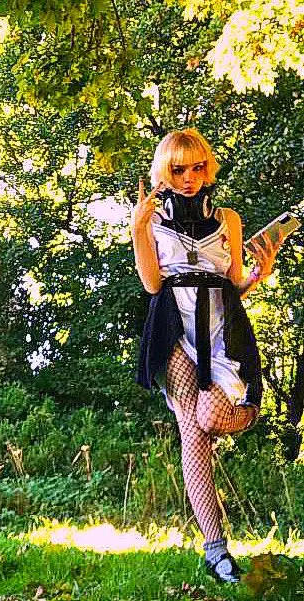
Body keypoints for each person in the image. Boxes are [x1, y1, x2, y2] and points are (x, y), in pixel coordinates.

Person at [132, 129, 282, 584]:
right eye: (178, 169)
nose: (189, 178)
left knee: (212, 417)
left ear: (207, 169)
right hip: (175, 331)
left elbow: (233, 283)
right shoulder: (149, 220)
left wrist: (257, 274)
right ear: (164, 172)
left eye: (197, 168)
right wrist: (138, 229)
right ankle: (217, 552)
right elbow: (152, 285)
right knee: (192, 434)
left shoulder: (228, 220)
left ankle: (249, 412)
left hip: (221, 331)